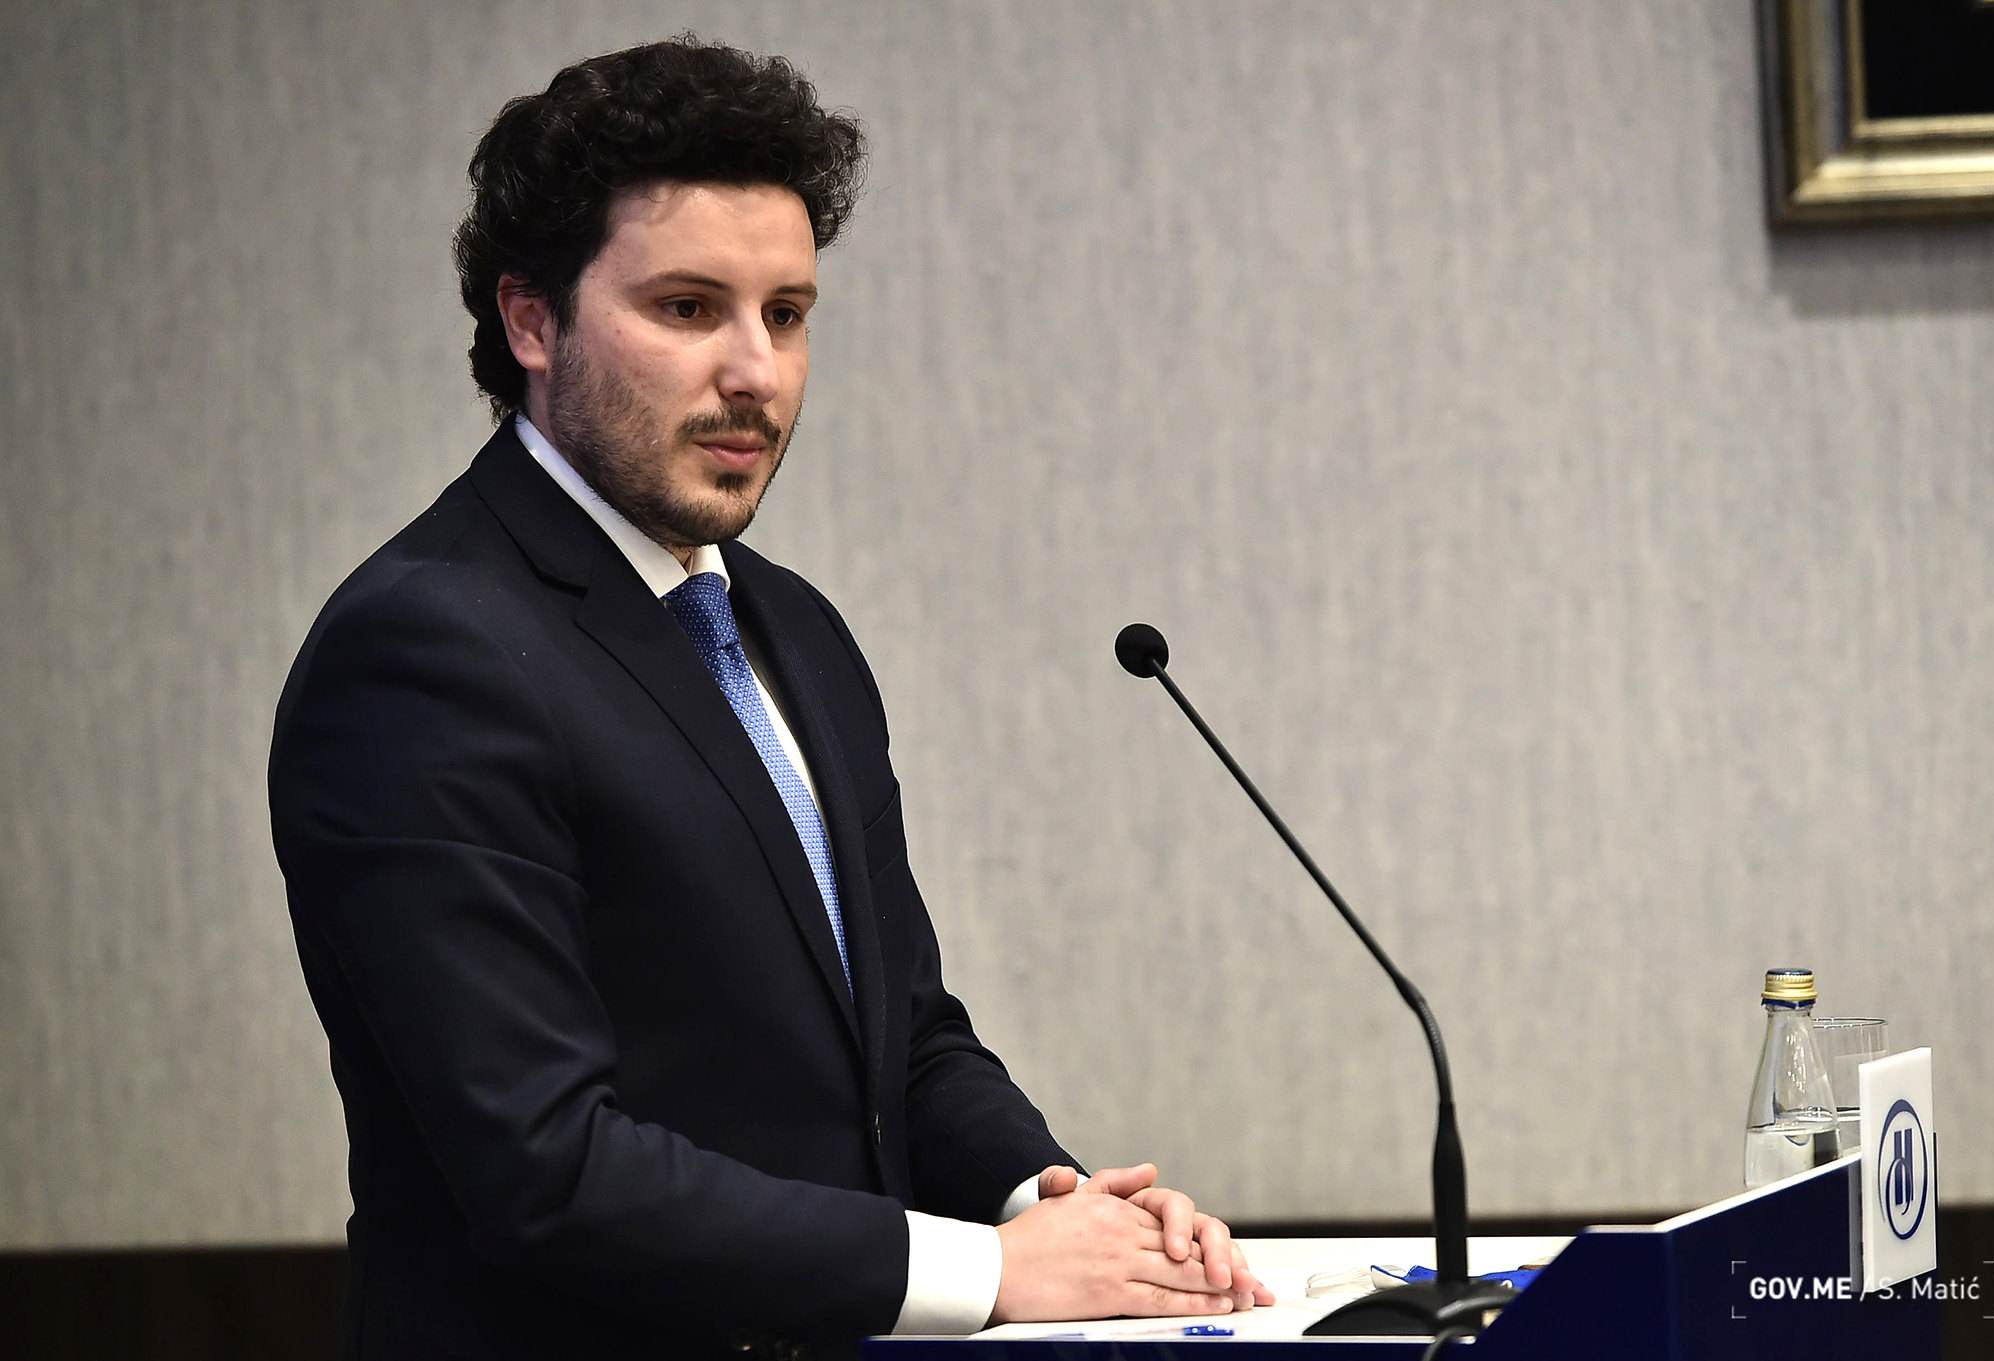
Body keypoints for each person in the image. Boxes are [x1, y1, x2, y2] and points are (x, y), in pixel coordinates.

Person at [269, 36, 1272, 1360]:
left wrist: (1061, 1211)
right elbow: (544, 1165)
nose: (757, 372)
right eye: (689, 308)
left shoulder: (791, 627)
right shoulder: (423, 649)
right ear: (531, 322)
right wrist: (991, 1270)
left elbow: (903, 1042)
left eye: (787, 314)